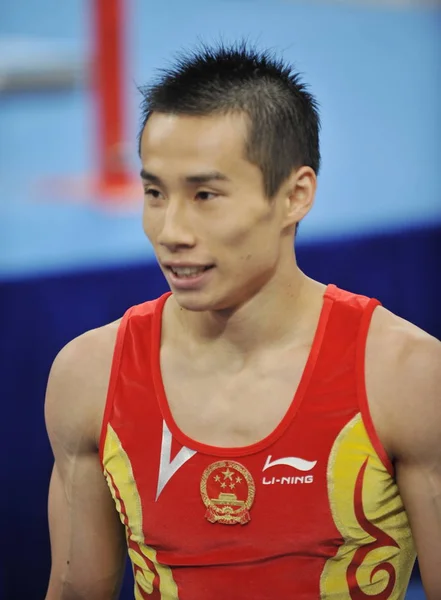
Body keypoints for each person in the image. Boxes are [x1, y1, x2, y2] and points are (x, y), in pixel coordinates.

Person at [44, 43, 441, 600]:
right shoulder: (89, 376)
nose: (171, 230)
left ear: (295, 196)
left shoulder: (405, 377)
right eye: (154, 193)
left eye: (205, 194)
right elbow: (75, 591)